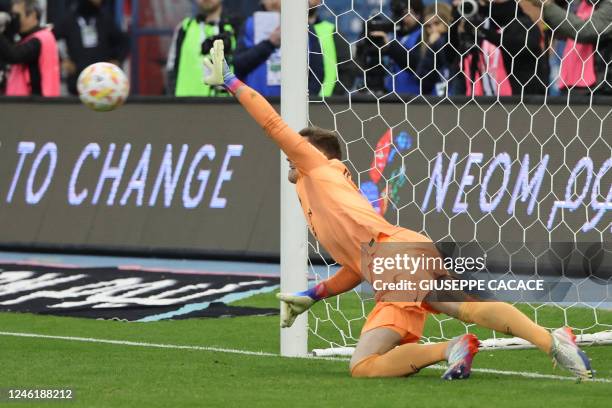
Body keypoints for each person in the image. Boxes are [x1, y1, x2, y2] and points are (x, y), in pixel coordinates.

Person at [203, 39, 594, 380]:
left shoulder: (317, 168)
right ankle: (550, 339)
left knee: (364, 365)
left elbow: (272, 123)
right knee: (465, 306)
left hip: (394, 259)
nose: (291, 158)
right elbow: (358, 267)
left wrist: (231, 81)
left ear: (318, 154)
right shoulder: (324, 192)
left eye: (298, 152)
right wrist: (313, 293)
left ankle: (450, 349)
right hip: (401, 250)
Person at [453, 0, 548, 96]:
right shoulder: (481, 23)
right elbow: (451, 59)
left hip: (519, 100)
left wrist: (483, 32)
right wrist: (454, 22)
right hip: (479, 99)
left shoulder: (521, 22)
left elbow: (524, 45)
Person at [233, 0, 324, 97]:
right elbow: (238, 66)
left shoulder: (304, 26)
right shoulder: (249, 25)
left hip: (294, 105)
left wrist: (304, 103)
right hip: (255, 103)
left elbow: (317, 72)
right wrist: (269, 43)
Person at [526, 0, 612, 95]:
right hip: (571, 84)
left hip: (599, 89)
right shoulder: (578, 4)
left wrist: (548, 6)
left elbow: (584, 31)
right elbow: (562, 32)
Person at [54, 0, 128, 96]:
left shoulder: (105, 19)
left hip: (104, 80)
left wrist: (117, 59)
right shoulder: (69, 20)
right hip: (77, 79)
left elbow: (124, 41)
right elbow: (49, 39)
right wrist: (62, 61)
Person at [166, 0, 239, 97]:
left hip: (224, 105)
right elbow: (171, 70)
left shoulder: (236, 28)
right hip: (185, 105)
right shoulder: (184, 28)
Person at [0, 0, 59, 97]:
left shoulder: (42, 38)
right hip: (25, 104)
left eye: (17, 16)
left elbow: (14, 56)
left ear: (32, 15)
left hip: (37, 105)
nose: (13, 20)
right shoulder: (28, 38)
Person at [366, 0, 425, 96]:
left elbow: (418, 64)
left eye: (407, 14)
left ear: (418, 15)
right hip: (391, 96)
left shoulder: (423, 35)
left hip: (415, 97)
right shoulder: (394, 35)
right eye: (399, 14)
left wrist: (390, 46)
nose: (403, 19)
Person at [416, 3, 456, 95]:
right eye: (428, 26)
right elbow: (422, 78)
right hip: (436, 97)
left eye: (437, 23)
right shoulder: (425, 45)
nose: (433, 29)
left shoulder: (453, 43)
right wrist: (430, 47)